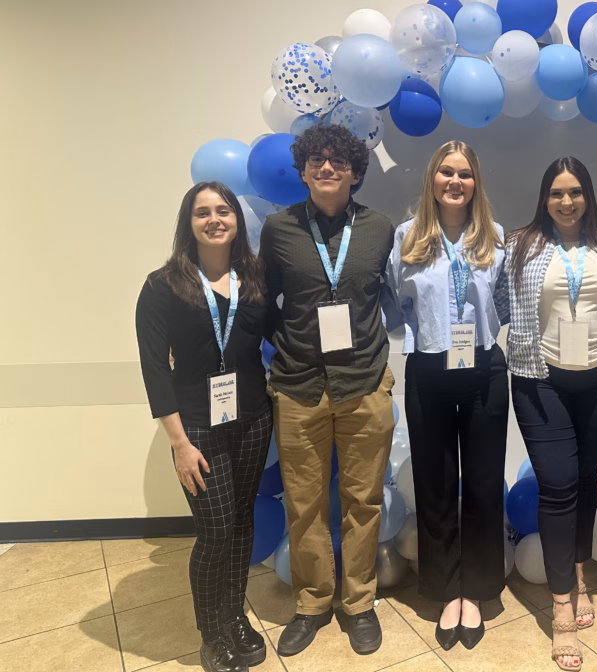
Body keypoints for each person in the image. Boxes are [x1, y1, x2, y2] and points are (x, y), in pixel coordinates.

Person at [260, 123, 396, 657]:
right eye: (315, 160)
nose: (326, 168)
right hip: (298, 387)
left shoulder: (381, 229)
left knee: (363, 501)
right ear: (302, 170)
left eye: (338, 161)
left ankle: (359, 604)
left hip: (364, 383)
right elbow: (260, 301)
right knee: (305, 503)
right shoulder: (278, 229)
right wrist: (288, 347)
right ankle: (313, 603)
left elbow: (388, 298)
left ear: (355, 173)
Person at [136, 181, 271, 672]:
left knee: (240, 523)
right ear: (187, 223)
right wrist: (178, 442)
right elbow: (154, 368)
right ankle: (211, 631)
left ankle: (235, 615)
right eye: (202, 212)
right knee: (215, 530)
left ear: (237, 220)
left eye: (224, 210)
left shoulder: (254, 280)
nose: (215, 219)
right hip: (196, 428)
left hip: (254, 419)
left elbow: (281, 334)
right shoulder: (163, 285)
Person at [506, 157, 597, 672]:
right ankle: (560, 607)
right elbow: (493, 301)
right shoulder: (519, 245)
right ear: (544, 197)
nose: (566, 200)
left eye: (575, 191)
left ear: (588, 195)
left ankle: (577, 573)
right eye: (556, 192)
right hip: (540, 379)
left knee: (583, 477)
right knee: (557, 483)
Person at [386, 140, 509, 651]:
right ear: (432, 180)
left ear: (476, 182)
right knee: (435, 483)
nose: (454, 182)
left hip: (482, 366)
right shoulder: (406, 237)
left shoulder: (495, 237)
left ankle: (475, 591)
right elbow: (395, 302)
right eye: (445, 172)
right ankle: (444, 589)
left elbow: (502, 299)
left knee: (481, 484)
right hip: (430, 368)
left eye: (464, 174)